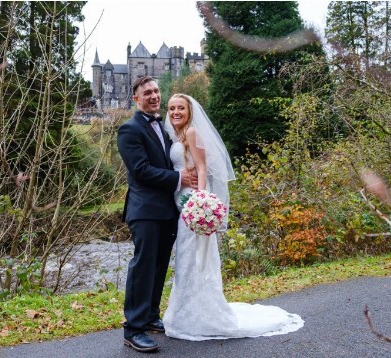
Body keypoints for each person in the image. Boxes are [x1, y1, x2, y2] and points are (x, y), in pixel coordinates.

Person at [163, 93, 304, 340]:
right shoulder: (177, 136)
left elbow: (203, 168)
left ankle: (204, 316)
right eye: (172, 108)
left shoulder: (193, 133)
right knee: (186, 261)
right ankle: (185, 314)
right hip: (180, 204)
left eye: (181, 108)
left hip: (191, 205)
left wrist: (201, 201)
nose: (176, 112)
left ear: (189, 111)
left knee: (197, 260)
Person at [117, 77, 197, 352]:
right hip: (144, 210)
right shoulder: (129, 130)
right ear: (136, 99)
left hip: (166, 209)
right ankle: (133, 328)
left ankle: (151, 316)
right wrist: (179, 177)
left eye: (156, 91)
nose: (153, 96)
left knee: (159, 265)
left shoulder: (163, 129)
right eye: (147, 93)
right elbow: (140, 170)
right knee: (142, 267)